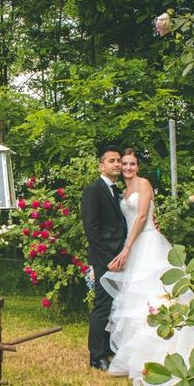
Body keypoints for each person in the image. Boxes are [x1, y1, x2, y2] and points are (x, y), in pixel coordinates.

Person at [100, 148, 194, 386]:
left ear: (138, 166)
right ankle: (137, 357)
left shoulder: (144, 184)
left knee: (156, 296)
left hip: (147, 244)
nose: (127, 167)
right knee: (136, 302)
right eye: (123, 163)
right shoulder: (122, 192)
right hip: (134, 247)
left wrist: (126, 248)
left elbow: (143, 215)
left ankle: (166, 353)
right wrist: (127, 248)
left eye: (131, 164)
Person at [81, 145, 127, 371]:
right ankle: (96, 355)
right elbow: (91, 228)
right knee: (103, 304)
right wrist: (107, 258)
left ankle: (110, 347)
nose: (117, 164)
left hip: (122, 256)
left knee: (117, 303)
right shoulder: (93, 190)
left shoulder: (118, 191)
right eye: (112, 161)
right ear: (102, 165)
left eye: (119, 160)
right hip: (104, 258)